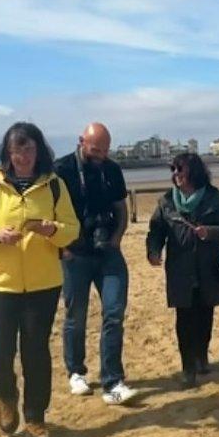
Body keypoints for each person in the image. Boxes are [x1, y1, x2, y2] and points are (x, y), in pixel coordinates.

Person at [0, 122, 80, 437]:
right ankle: (7, 398)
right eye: (17, 150)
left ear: (39, 151)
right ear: (8, 153)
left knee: (36, 353)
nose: (24, 157)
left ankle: (35, 418)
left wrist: (51, 230)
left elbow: (72, 229)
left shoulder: (54, 184)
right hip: (0, 284)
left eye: (29, 149)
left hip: (43, 285)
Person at [54, 123, 138, 405]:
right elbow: (49, 212)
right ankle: (76, 372)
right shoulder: (61, 170)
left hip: (108, 252)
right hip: (74, 253)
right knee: (75, 315)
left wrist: (117, 237)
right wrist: (62, 247)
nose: (101, 155)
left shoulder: (112, 170)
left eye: (105, 150)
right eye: (95, 149)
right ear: (81, 142)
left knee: (114, 313)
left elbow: (120, 208)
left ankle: (112, 381)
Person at [146, 153, 219, 389]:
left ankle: (201, 356)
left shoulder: (214, 198)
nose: (176, 175)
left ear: (193, 172)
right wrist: (153, 251)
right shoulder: (166, 201)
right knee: (184, 318)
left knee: (205, 314)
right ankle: (188, 367)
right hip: (179, 270)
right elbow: (156, 231)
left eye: (180, 170)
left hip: (207, 267)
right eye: (173, 170)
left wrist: (210, 232)